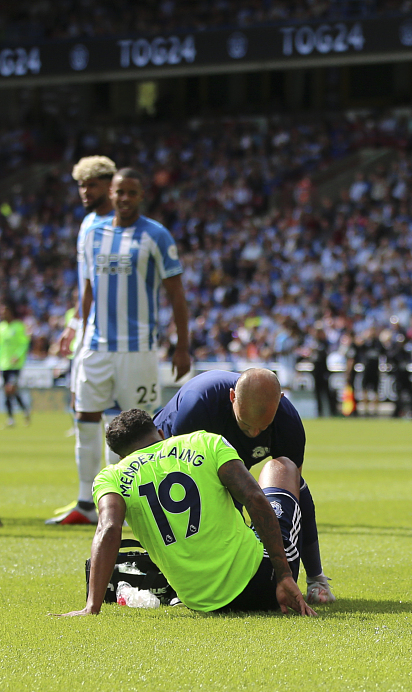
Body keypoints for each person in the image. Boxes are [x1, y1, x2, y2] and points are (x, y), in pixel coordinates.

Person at [56, 409, 315, 617]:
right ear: (159, 433)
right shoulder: (204, 441)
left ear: (119, 455)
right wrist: (283, 574)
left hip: (200, 601)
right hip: (262, 584)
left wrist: (92, 607)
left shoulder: (110, 477)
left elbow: (109, 529)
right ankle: (316, 578)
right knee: (281, 466)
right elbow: (254, 498)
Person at [47, 167, 191, 526]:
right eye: (119, 192)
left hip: (138, 349)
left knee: (136, 428)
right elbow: (87, 290)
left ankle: (130, 505)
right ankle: (84, 503)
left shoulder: (156, 235)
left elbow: (176, 293)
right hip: (96, 346)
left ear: (141, 196)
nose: (124, 198)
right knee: (85, 420)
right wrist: (77, 331)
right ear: (110, 194)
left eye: (131, 192)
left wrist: (182, 345)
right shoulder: (93, 235)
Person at [153, 368, 335, 604]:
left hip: (226, 456)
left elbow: (294, 496)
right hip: (171, 459)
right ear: (232, 398)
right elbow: (192, 491)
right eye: (246, 424)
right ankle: (182, 584)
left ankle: (317, 579)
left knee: (295, 483)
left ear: (279, 402)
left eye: (263, 427)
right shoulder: (197, 409)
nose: (254, 433)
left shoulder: (288, 424)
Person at [1, 299, 31, 427]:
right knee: (9, 391)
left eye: (4, 310)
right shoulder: (1, 327)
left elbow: (24, 343)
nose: (2, 313)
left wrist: (18, 356)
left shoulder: (19, 326)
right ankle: (19, 414)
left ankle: (13, 417)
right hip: (3, 364)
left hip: (15, 364)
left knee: (10, 388)